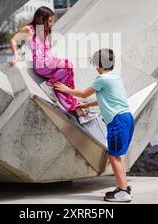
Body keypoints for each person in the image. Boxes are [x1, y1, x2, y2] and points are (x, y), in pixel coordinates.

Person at [54, 48, 134, 202]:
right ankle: (123, 187)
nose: (94, 66)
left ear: (101, 64)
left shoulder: (102, 79)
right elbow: (105, 99)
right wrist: (85, 106)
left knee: (113, 156)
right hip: (126, 118)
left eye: (95, 63)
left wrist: (66, 89)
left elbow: (84, 94)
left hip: (117, 120)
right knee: (117, 155)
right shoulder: (115, 78)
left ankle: (123, 192)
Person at [8, 6, 86, 118]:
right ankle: (49, 84)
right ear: (40, 18)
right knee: (68, 64)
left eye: (52, 22)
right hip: (41, 65)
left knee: (64, 82)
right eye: (49, 21)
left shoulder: (44, 32)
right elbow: (14, 40)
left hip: (50, 63)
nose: (51, 24)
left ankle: (73, 106)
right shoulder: (30, 29)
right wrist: (16, 54)